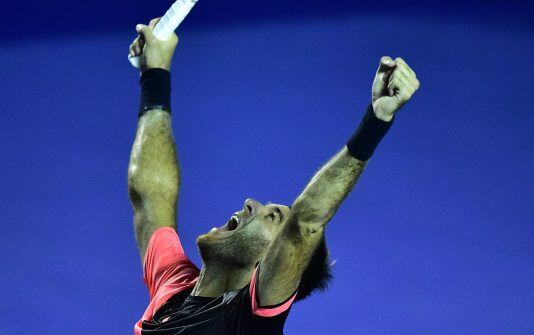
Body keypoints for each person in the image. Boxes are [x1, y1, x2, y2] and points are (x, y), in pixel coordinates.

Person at [127, 18, 420, 334]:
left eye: (273, 218)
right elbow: (152, 194)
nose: (252, 203)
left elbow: (305, 224)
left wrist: (376, 121)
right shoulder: (173, 287)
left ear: (269, 265)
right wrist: (154, 73)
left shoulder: (249, 322)